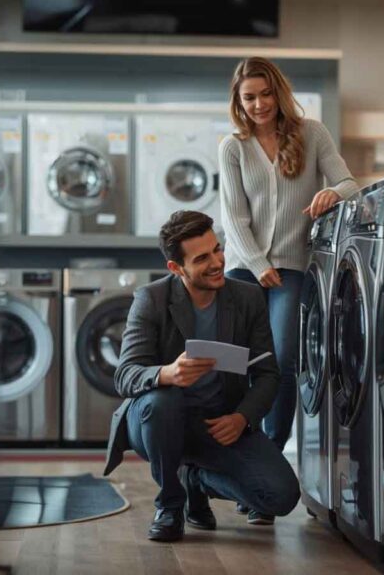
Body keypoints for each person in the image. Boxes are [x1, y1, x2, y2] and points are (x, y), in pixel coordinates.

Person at [103, 210, 300, 542]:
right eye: (202, 258)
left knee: (281, 496)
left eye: (218, 250)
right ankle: (170, 504)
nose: (217, 262)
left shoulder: (247, 298)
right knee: (163, 401)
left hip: (219, 423)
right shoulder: (151, 299)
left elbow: (268, 374)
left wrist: (242, 417)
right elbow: (125, 375)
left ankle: (194, 480)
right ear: (176, 269)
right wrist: (167, 373)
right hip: (159, 422)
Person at [219, 57, 358, 463]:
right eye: (249, 97)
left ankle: (269, 455)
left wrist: (335, 194)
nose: (259, 104)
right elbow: (233, 217)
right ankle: (238, 455)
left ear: (278, 93)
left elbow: (351, 184)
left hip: (293, 268)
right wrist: (259, 264)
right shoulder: (233, 147)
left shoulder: (312, 133)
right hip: (245, 268)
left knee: (282, 359)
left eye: (265, 94)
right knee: (239, 364)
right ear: (238, 101)